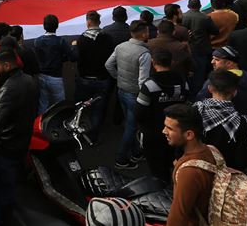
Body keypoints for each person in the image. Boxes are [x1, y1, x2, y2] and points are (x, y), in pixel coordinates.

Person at [0, 45, 38, 226]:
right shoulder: (29, 80)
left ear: (7, 65)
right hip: (21, 142)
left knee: (2, 193)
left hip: (6, 149)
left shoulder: (8, 89)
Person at [136, 48, 189, 183]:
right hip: (178, 132)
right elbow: (186, 103)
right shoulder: (183, 82)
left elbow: (140, 111)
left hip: (153, 134)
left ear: (153, 63)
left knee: (157, 169)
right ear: (172, 62)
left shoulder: (149, 85)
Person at [105, 20, 151, 169]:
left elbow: (108, 65)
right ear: (144, 34)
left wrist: (118, 77)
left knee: (130, 124)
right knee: (132, 127)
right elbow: (143, 80)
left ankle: (136, 152)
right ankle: (121, 159)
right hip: (134, 95)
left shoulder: (120, 47)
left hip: (121, 91)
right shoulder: (144, 53)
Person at [163, 103, 215, 226]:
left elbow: (178, 218)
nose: (164, 131)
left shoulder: (188, 172)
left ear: (189, 135)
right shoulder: (213, 150)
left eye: (169, 128)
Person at [193, 68, 247, 170]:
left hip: (195, 169)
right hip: (225, 176)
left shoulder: (196, 111)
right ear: (234, 92)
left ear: (210, 88)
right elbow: (242, 159)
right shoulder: (245, 122)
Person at [196, 45, 247, 123]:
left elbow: (200, 100)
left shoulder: (215, 81)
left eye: (217, 60)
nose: (212, 62)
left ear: (229, 63)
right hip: (246, 126)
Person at [75, 10, 114, 141]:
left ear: (88, 22)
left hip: (85, 79)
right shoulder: (107, 38)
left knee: (80, 107)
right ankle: (93, 136)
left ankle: (79, 133)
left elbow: (76, 57)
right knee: (98, 109)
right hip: (102, 78)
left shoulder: (81, 40)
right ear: (99, 22)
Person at [34, 14, 78, 113]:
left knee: (43, 104)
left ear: (44, 26)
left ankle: (40, 126)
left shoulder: (37, 41)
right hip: (55, 78)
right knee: (60, 105)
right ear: (57, 26)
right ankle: (59, 124)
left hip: (41, 76)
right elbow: (73, 57)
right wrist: (74, 47)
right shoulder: (60, 41)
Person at [182, 0, 218, 94]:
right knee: (199, 73)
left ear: (188, 6)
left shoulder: (183, 17)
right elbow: (215, 31)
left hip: (186, 48)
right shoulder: (205, 18)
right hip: (202, 48)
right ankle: (197, 94)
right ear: (200, 6)